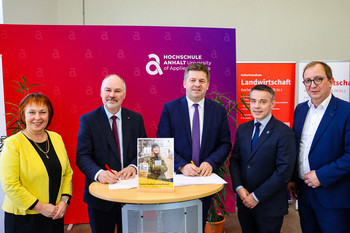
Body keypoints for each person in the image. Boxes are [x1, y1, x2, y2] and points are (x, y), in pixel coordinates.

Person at [157, 63, 232, 230]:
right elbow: (162, 143)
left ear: (207, 84)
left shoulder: (218, 110)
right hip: (177, 178)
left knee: (197, 225)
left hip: (203, 180)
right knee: (172, 226)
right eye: (192, 80)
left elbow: (225, 143)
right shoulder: (170, 108)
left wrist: (210, 163)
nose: (197, 84)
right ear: (184, 83)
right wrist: (182, 165)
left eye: (201, 80)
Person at [76, 74, 147, 233]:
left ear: (124, 95)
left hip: (131, 195)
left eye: (117, 91)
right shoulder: (88, 120)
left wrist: (134, 166)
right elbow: (82, 156)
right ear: (101, 92)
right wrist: (99, 173)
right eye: (108, 90)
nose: (112, 95)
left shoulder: (136, 119)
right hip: (101, 196)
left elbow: (144, 150)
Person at [288, 61, 350, 233]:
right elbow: (297, 148)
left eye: (318, 79)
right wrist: (293, 178)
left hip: (333, 195)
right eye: (307, 81)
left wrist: (322, 175)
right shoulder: (300, 110)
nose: (312, 85)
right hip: (304, 193)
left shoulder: (346, 111)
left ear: (331, 81)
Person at [0, 93, 73, 233]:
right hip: (24, 218)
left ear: (49, 115)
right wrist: (41, 207)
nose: (38, 117)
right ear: (23, 115)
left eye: (43, 112)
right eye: (32, 112)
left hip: (55, 214)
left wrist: (64, 201)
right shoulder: (13, 144)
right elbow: (10, 184)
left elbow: (67, 173)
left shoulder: (56, 138)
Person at [229, 85, 296, 233]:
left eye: (262, 101)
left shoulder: (284, 133)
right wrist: (239, 188)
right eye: (253, 101)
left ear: (273, 104)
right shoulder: (243, 129)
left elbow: (284, 171)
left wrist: (257, 196)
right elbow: (235, 160)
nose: (256, 106)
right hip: (244, 201)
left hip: (269, 205)